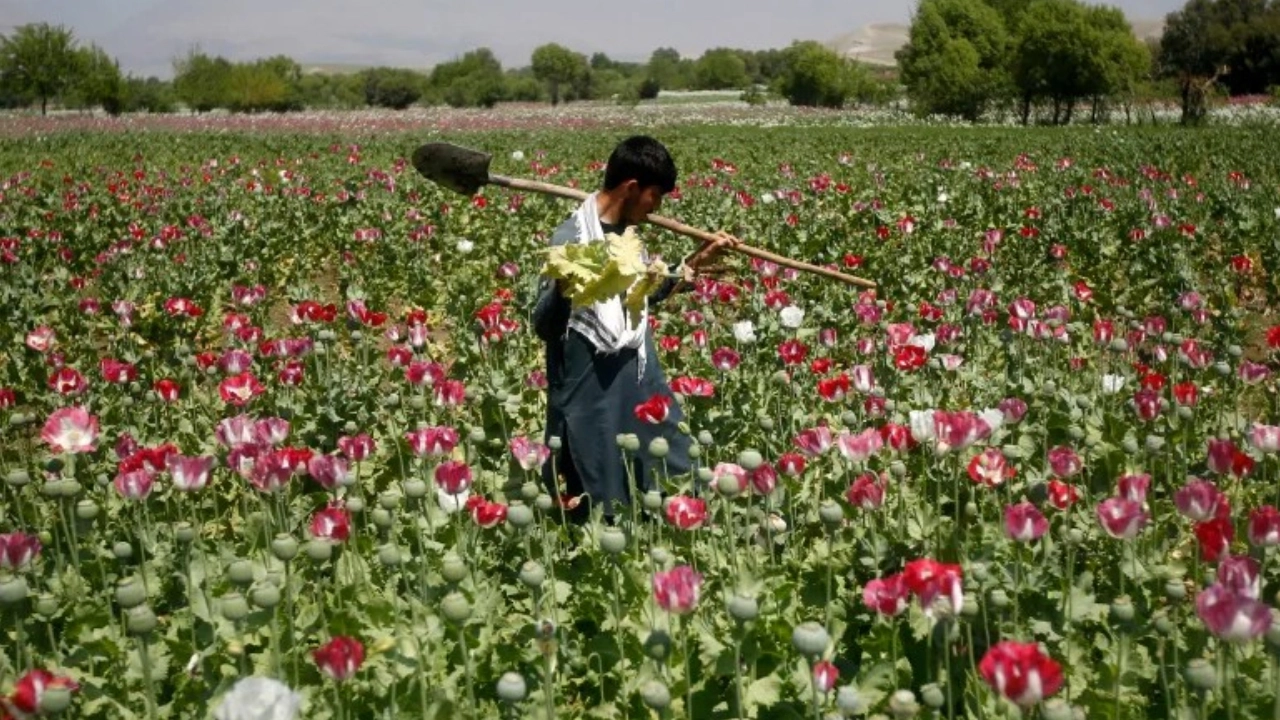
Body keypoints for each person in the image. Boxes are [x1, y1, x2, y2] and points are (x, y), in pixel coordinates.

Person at [530, 135, 739, 523]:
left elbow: (640, 296)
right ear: (631, 188)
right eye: (655, 196)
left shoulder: (627, 239)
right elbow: (542, 325)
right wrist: (562, 287)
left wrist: (695, 262)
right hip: (591, 393)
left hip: (640, 381)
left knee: (678, 474)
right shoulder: (571, 241)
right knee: (601, 501)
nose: (656, 208)